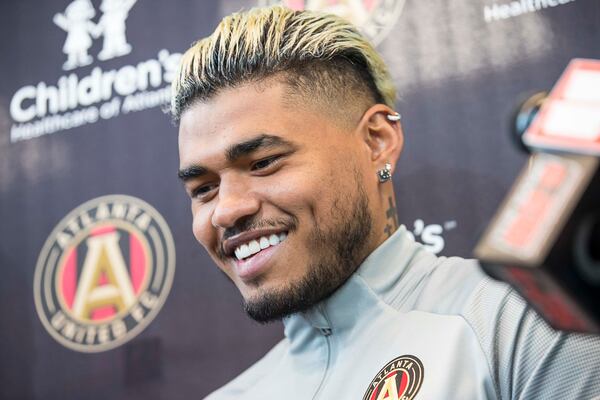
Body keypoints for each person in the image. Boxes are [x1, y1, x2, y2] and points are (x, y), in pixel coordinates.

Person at [170, 6, 600, 399]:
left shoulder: (524, 321)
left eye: (263, 162)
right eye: (203, 189)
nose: (226, 210)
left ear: (377, 141)